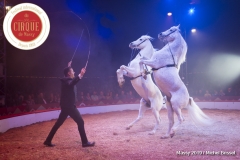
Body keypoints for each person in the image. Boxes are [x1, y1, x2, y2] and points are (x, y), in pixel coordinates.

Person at [44, 61, 95, 147]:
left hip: (66, 106)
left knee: (58, 123)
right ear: (68, 73)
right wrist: (80, 75)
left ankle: (48, 140)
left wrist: (69, 66)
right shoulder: (67, 81)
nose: (74, 72)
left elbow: (69, 79)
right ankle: (85, 142)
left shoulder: (66, 79)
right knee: (80, 122)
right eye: (72, 71)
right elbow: (71, 83)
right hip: (70, 107)